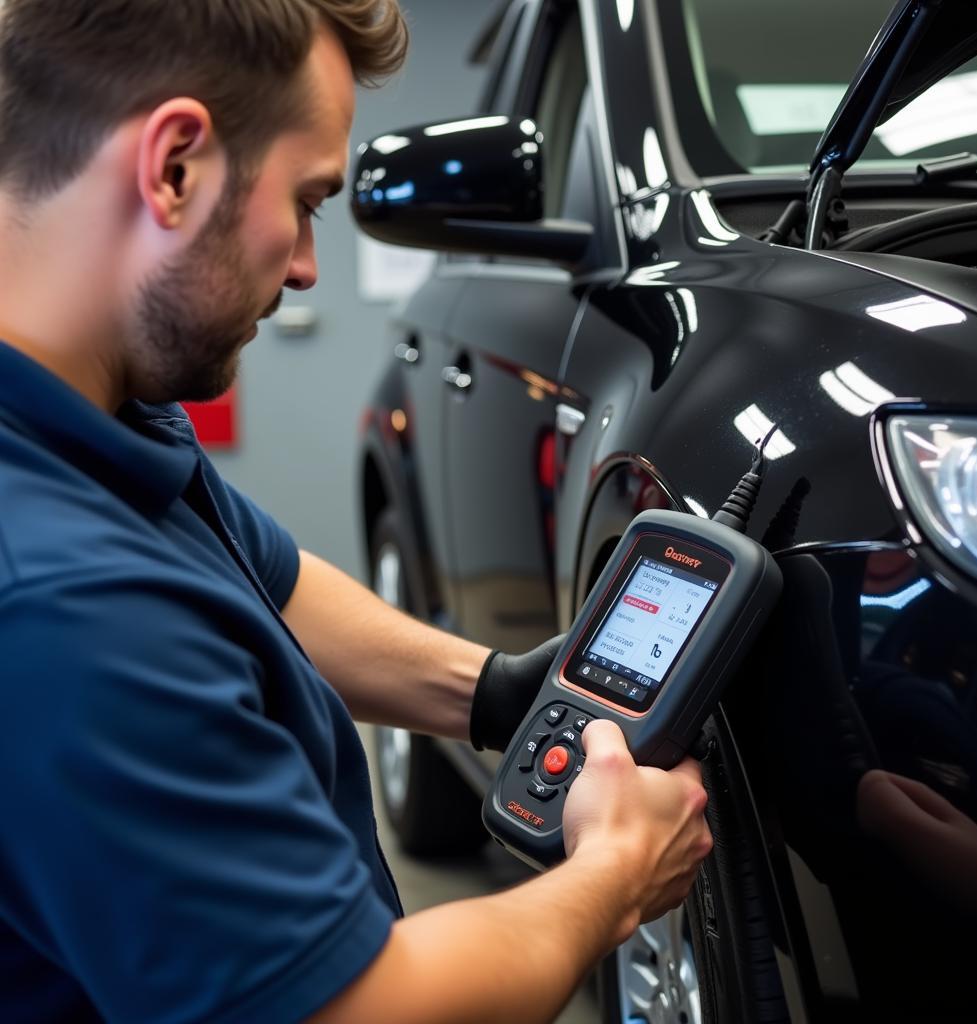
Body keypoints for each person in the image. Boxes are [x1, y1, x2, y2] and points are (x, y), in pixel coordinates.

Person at [0, 2, 713, 1022]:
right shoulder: (63, 606)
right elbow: (357, 1007)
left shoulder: (96, 418)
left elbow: (274, 590)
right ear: (173, 169)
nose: (305, 268)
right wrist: (612, 872)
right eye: (305, 201)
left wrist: (507, 690)